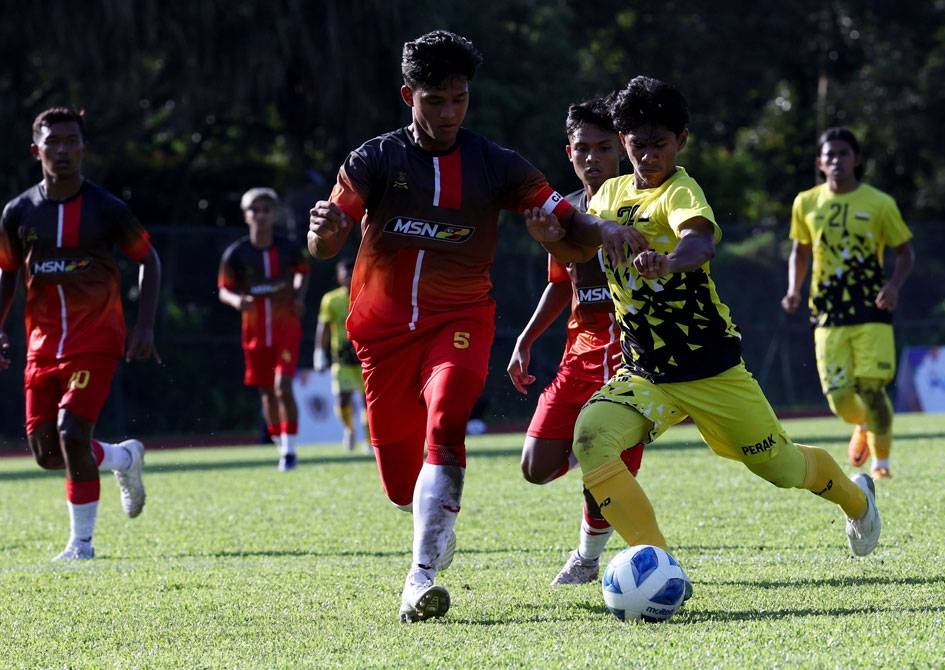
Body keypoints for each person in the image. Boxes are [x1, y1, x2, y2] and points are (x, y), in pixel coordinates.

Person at [306, 30, 635, 623]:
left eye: (459, 99)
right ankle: (434, 528)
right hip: (380, 340)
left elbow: (567, 219)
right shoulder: (373, 159)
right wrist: (322, 230)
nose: (449, 113)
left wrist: (605, 233)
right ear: (408, 95)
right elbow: (326, 236)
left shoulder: (495, 164)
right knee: (402, 489)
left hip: (460, 321)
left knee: (449, 411)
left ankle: (420, 579)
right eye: (435, 101)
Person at [527, 77, 883, 598]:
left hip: (711, 370)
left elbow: (699, 241)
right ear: (623, 141)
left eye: (660, 144)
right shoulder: (608, 194)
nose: (648, 155)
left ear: (682, 142)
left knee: (780, 467)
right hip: (645, 373)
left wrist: (668, 260)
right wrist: (552, 240)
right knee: (591, 438)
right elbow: (579, 253)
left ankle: (857, 499)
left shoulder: (681, 191)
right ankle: (663, 569)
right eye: (637, 144)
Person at [0, 107, 160, 561]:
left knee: (72, 433)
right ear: (37, 150)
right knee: (48, 453)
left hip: (97, 339)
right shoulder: (18, 212)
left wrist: (145, 325)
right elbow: (7, 272)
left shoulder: (107, 209)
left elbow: (149, 259)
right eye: (54, 142)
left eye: (72, 141)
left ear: (84, 149)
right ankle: (123, 458)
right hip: (41, 346)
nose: (64, 150)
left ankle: (81, 546)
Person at [507, 97, 653, 585]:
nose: (594, 159)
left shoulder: (642, 205)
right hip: (579, 354)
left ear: (623, 150)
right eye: (583, 149)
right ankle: (585, 454)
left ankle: (588, 558)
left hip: (633, 357)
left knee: (606, 465)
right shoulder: (563, 210)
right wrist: (526, 339)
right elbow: (561, 279)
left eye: (605, 148)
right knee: (535, 467)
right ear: (567, 151)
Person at [781, 127, 915, 479]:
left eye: (843, 153)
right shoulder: (805, 202)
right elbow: (800, 250)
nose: (837, 160)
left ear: (856, 159)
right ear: (820, 163)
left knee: (871, 388)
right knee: (839, 398)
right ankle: (864, 426)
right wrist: (794, 290)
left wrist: (894, 285)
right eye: (830, 155)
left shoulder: (879, 203)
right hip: (827, 311)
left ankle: (881, 463)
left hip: (872, 308)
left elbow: (905, 253)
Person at [218, 188, 310, 471]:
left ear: (274, 214)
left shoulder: (288, 248)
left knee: (283, 387)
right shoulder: (236, 253)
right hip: (255, 335)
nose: (260, 215)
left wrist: (298, 297)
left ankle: (291, 452)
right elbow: (224, 289)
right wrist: (238, 301)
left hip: (286, 331)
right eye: (254, 210)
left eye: (266, 209)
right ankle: (281, 447)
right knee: (267, 393)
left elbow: (303, 272)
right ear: (246, 216)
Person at [314, 257, 370, 452]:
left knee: (367, 401)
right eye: (344, 274)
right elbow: (323, 327)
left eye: (351, 273)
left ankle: (369, 439)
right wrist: (319, 352)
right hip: (342, 359)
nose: (348, 277)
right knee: (341, 399)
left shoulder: (366, 295)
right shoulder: (331, 300)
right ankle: (349, 429)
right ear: (338, 277)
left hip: (364, 358)